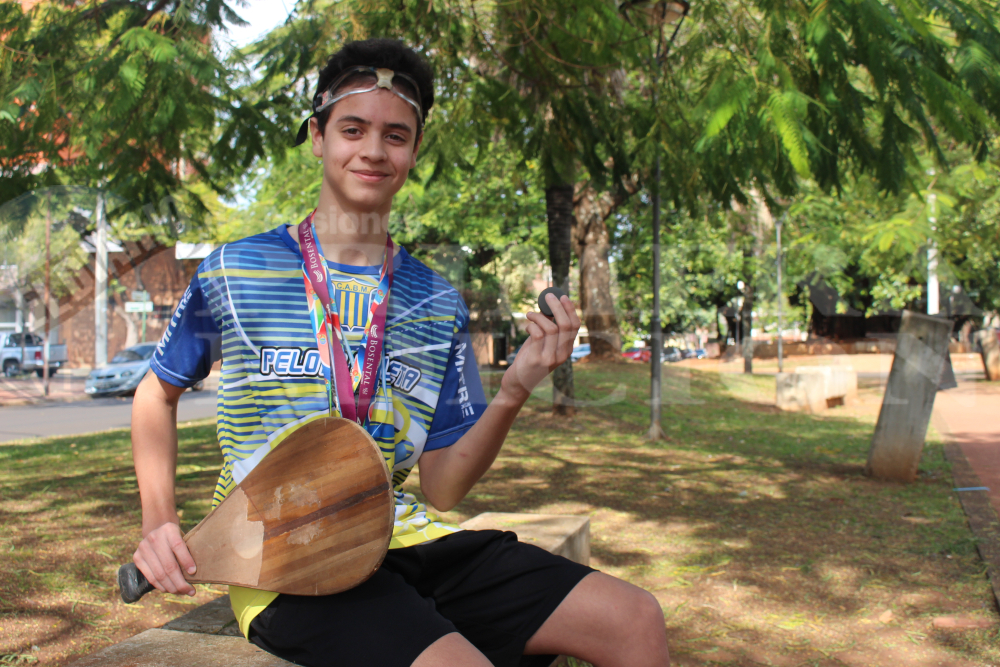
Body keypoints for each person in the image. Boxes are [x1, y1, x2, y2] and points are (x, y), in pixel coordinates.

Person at [129, 38, 670, 667]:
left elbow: (443, 487)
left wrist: (515, 387)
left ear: (414, 150)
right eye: (352, 129)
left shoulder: (437, 302)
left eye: (395, 135)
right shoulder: (236, 270)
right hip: (287, 556)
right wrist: (159, 522)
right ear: (317, 136)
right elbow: (155, 392)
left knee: (634, 619)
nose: (373, 150)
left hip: (408, 537)